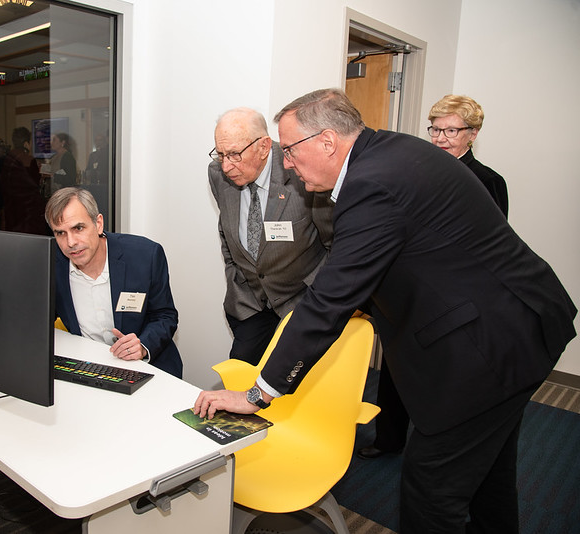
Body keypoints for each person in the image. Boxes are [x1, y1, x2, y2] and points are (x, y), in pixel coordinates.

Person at [194, 88, 576, 533]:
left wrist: (257, 394)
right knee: (489, 478)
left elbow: (330, 299)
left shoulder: (370, 183)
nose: (287, 163)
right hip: (518, 326)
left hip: (487, 350)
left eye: (291, 151)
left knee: (431, 498)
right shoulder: (390, 151)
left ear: (327, 141)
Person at [360, 94, 511, 460]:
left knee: (444, 379)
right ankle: (388, 439)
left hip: (455, 297)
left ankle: (434, 443)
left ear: (472, 134)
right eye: (435, 129)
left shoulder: (488, 181)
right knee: (397, 369)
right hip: (409, 293)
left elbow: (489, 247)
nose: (441, 137)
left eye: (451, 130)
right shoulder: (414, 171)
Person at [208, 107, 328, 365]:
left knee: (293, 387)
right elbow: (226, 228)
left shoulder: (299, 172)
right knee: (240, 380)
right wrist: (235, 273)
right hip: (250, 304)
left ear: (263, 147)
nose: (227, 166)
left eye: (234, 155)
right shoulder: (217, 173)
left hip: (300, 302)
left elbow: (333, 242)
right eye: (220, 155)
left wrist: (319, 298)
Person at [45, 187, 182, 378]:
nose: (70, 242)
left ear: (98, 223)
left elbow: (165, 315)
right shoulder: (52, 266)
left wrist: (143, 346)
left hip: (149, 368)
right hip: (88, 370)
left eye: (78, 228)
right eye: (60, 233)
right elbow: (37, 320)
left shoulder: (145, 255)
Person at [0, 127, 46, 235]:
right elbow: (34, 186)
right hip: (26, 214)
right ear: (26, 143)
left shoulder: (6, 159)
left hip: (10, 209)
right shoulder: (28, 161)